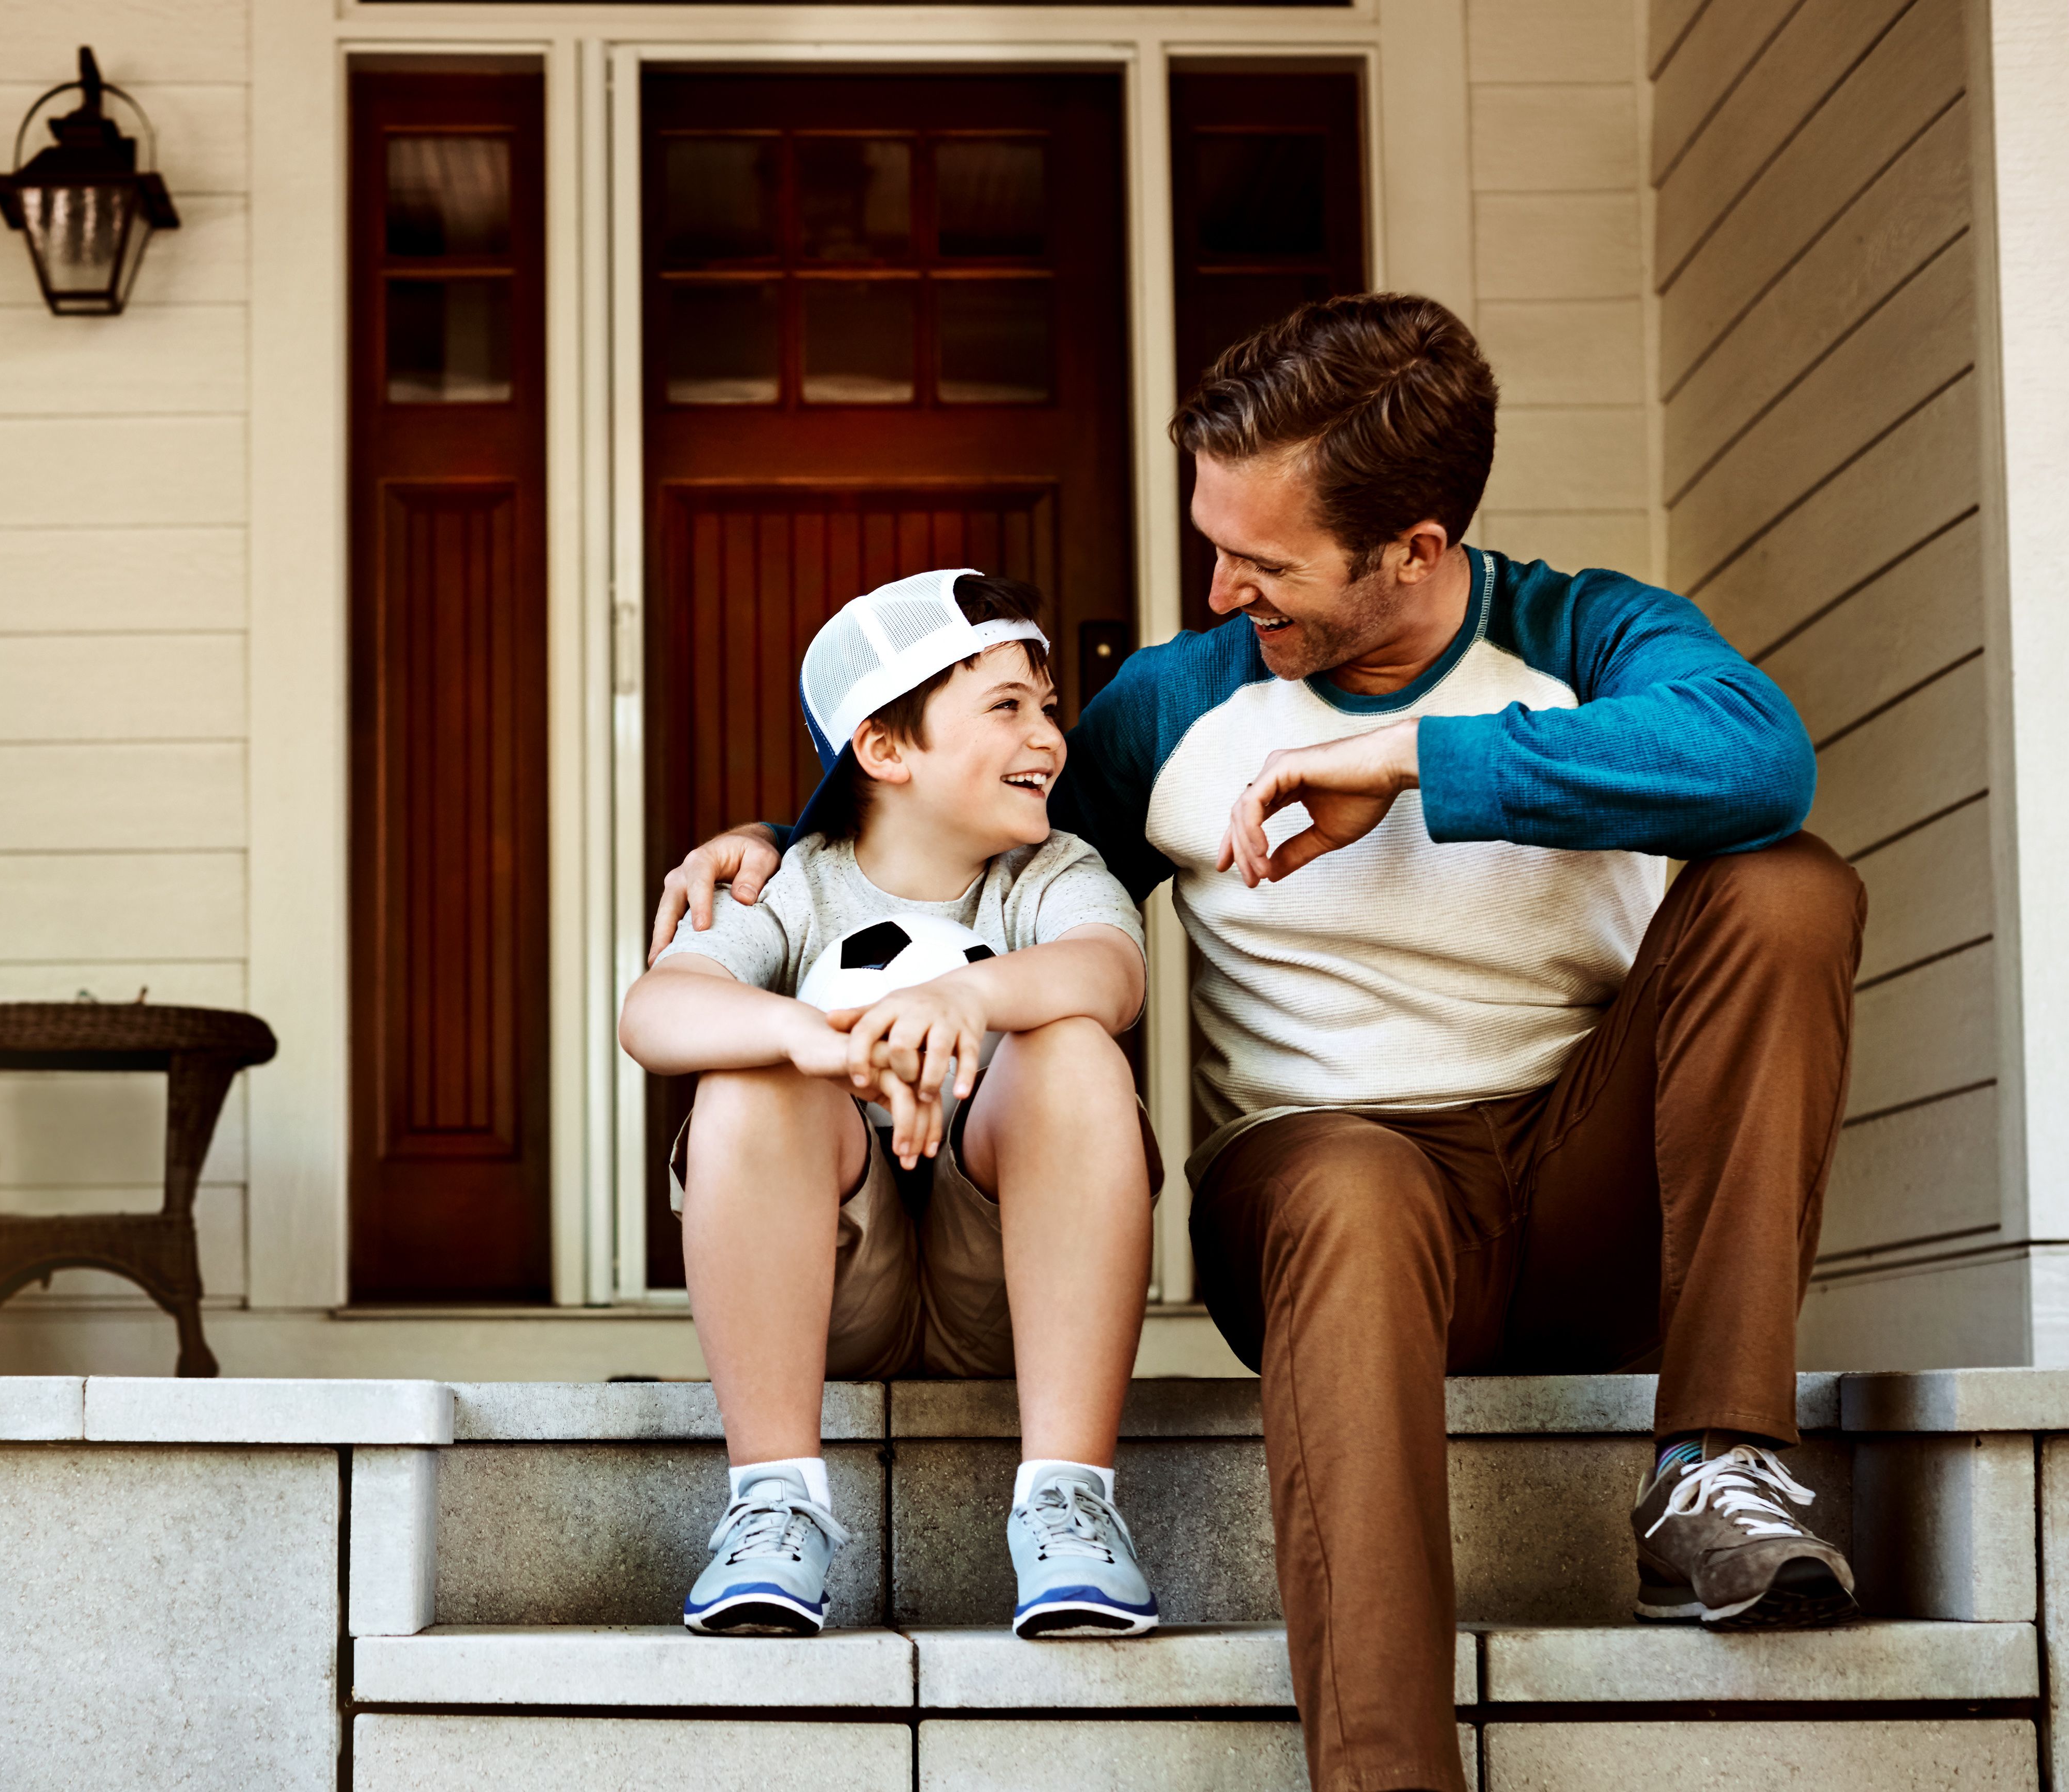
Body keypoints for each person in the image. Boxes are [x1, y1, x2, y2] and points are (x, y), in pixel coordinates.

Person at [650, 293, 1863, 1792]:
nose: (1220, 590)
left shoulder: (1588, 635)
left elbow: (1761, 756)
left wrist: (1410, 759)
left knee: (1787, 885)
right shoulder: (1177, 701)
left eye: (1264, 562)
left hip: (1588, 1189)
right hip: (1322, 1185)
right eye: (1213, 542)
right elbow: (957, 830)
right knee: (1349, 1189)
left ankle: (1716, 1464)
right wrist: (777, 845)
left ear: (1414, 548)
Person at [619, 568, 1165, 1640]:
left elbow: (1111, 974)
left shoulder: (1051, 872)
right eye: (1006, 706)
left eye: (1047, 707)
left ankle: (1068, 1501)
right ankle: (773, 1501)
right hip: (833, 1301)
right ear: (882, 748)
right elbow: (654, 1011)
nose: (1048, 737)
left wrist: (966, 997)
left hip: (1007, 1295)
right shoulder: (790, 886)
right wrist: (808, 1039)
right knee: (747, 1070)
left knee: (1074, 1046)